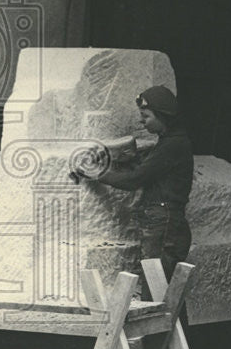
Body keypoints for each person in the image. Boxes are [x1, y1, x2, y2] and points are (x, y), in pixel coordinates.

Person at [80, 85, 194, 296]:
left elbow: (135, 180)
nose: (142, 121)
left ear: (163, 116)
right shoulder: (170, 142)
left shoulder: (172, 145)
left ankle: (161, 330)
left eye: (146, 116)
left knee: (158, 291)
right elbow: (150, 173)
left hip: (164, 223)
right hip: (166, 221)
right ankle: (172, 330)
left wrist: (97, 173)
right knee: (166, 292)